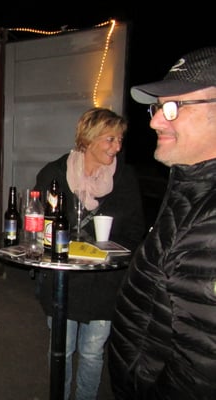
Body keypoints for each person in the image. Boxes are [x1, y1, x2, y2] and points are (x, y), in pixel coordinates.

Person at [109, 47, 216, 399]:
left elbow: (199, 375)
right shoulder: (190, 187)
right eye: (157, 108)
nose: (155, 121)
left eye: (174, 107)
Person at [33, 107, 146, 400]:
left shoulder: (125, 177)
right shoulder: (55, 174)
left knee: (93, 352)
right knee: (61, 349)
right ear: (89, 138)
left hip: (105, 281)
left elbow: (135, 229)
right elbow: (37, 223)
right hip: (64, 280)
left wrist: (111, 250)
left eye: (120, 140)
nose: (117, 147)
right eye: (110, 139)